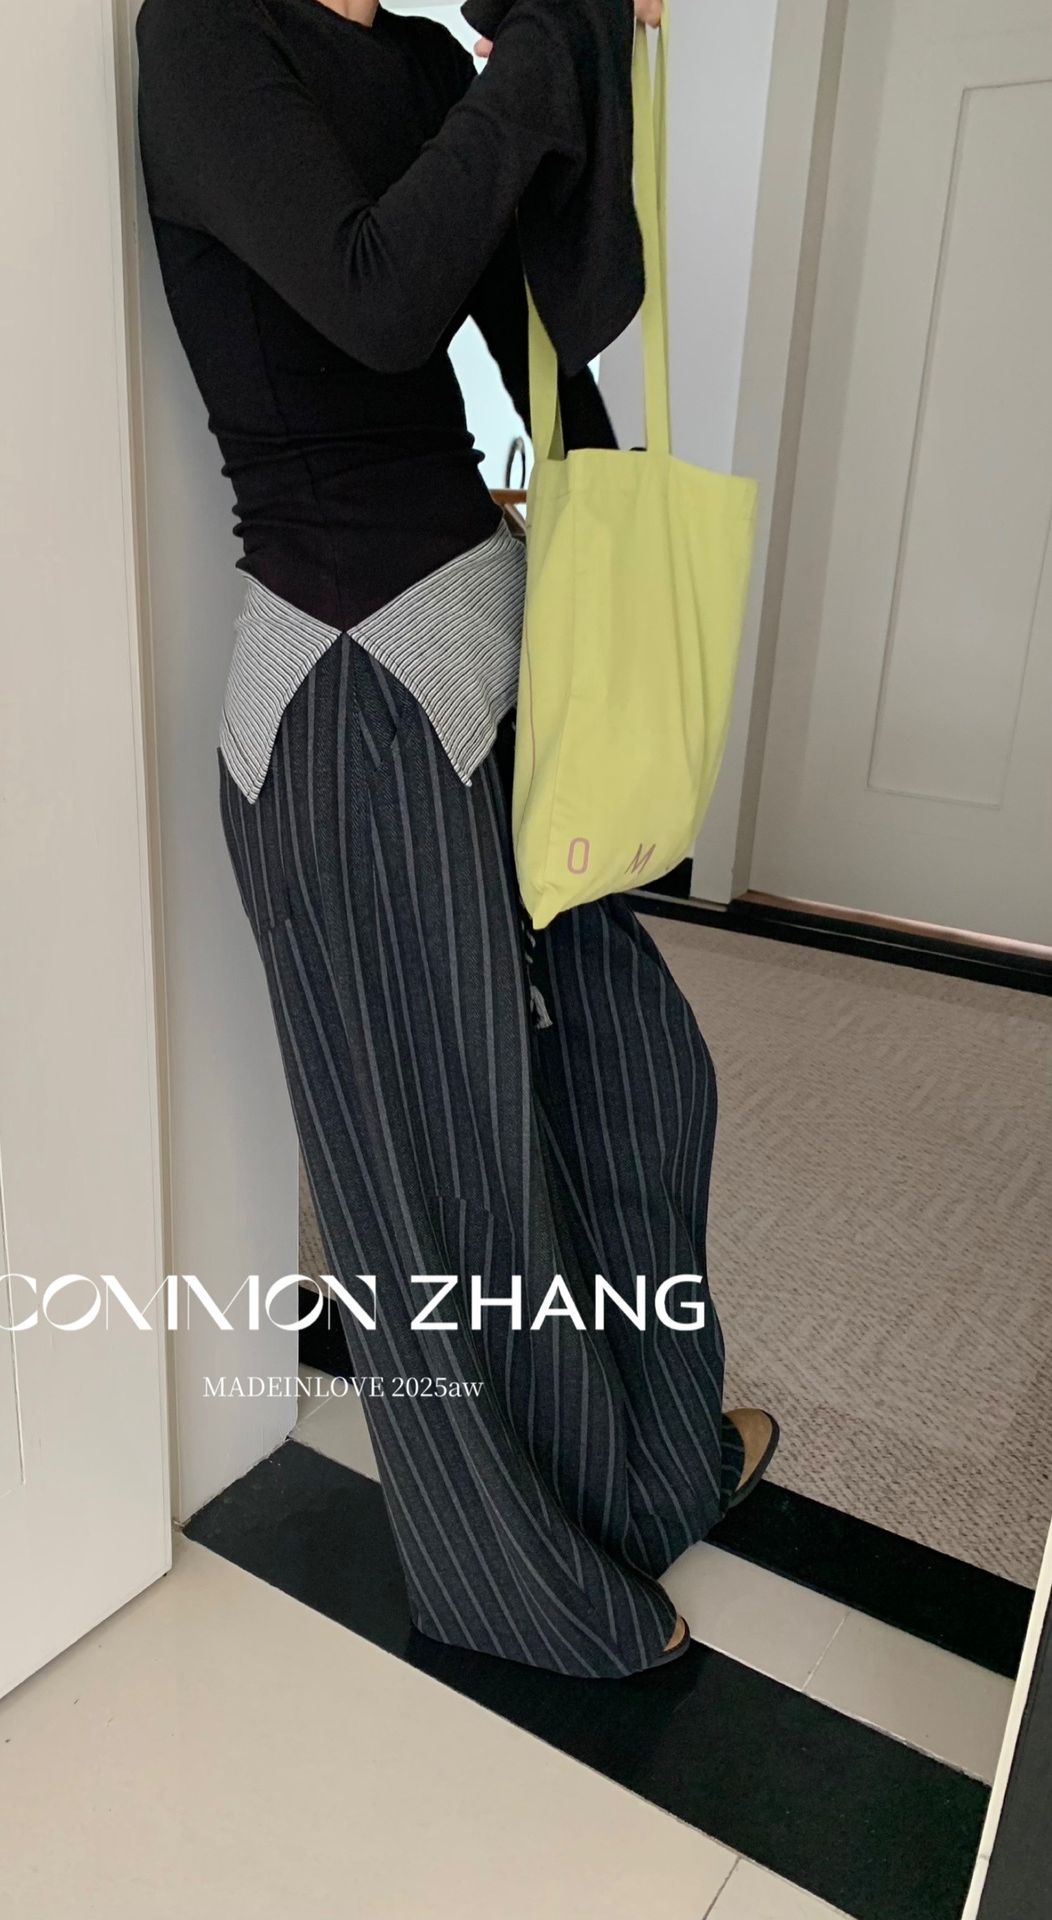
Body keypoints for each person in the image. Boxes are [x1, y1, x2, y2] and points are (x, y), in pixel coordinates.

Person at [138, 0, 777, 1678]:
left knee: (628, 1077)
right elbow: (373, 300)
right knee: (442, 1180)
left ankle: (642, 1474)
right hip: (348, 691)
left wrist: (573, 51)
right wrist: (543, 59)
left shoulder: (426, 61)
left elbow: (567, 309)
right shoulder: (208, 36)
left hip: (500, 665)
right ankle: (519, 1587)